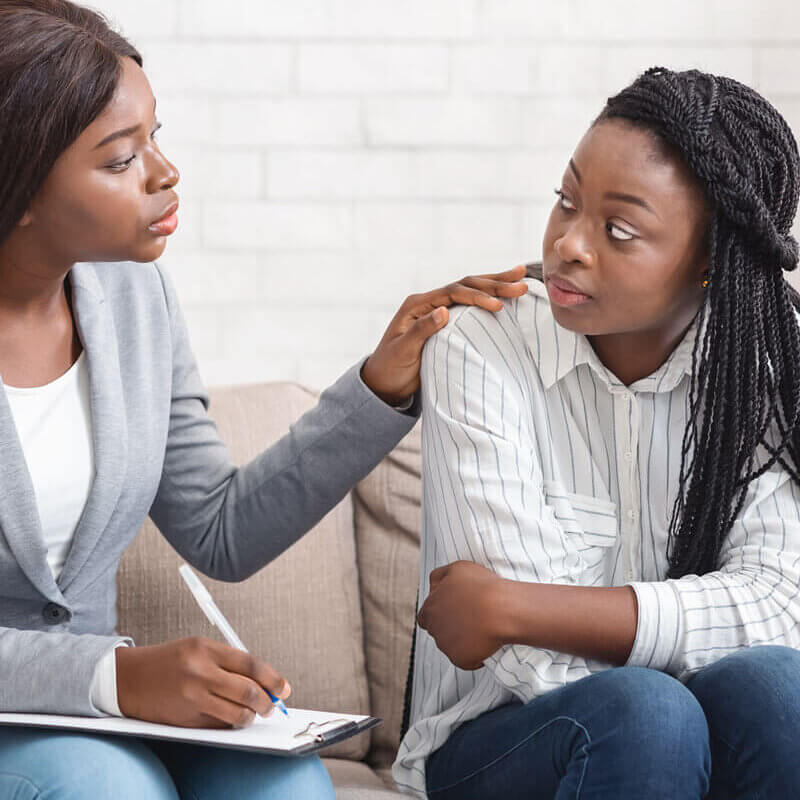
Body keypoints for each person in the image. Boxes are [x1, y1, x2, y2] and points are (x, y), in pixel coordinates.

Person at [0, 2, 529, 798]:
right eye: (119, 160)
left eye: (155, 136)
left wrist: (382, 383)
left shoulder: (136, 300)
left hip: (101, 716)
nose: (164, 173)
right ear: (19, 187)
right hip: (59, 718)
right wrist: (111, 675)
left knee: (288, 787)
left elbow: (220, 527)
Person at [394, 67, 800, 799]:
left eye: (618, 230)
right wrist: (686, 649)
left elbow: (779, 607)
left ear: (709, 261)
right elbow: (524, 664)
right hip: (502, 737)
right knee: (648, 715)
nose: (569, 245)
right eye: (566, 202)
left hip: (682, 726)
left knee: (778, 690)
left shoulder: (759, 367)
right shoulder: (479, 351)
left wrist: (518, 605)